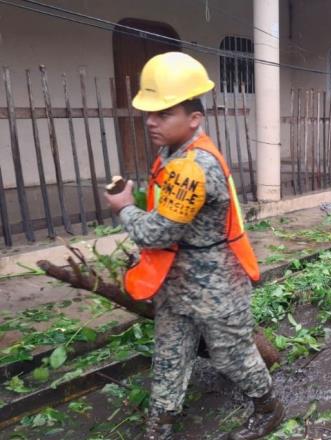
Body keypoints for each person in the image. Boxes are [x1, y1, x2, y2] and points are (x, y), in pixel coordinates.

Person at [103, 52, 284, 440]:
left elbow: (157, 233)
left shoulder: (195, 166)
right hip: (177, 282)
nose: (151, 121)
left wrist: (124, 209)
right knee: (169, 356)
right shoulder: (173, 154)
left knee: (231, 355)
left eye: (164, 113)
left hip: (216, 286)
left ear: (194, 118)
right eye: (149, 113)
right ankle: (159, 427)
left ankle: (269, 407)